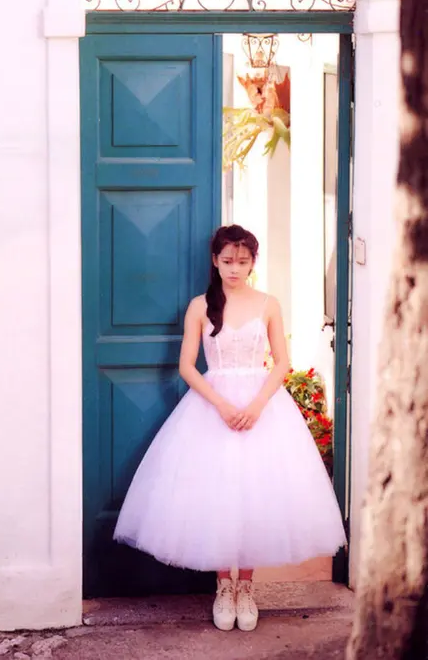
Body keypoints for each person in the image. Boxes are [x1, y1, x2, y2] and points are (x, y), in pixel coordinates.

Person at [113, 224, 347, 632]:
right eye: (227, 261)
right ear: (215, 261)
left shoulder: (268, 304)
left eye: (242, 261)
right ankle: (224, 586)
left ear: (253, 262)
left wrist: (257, 405)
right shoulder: (200, 306)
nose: (234, 269)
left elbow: (281, 362)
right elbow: (187, 366)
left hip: (262, 408)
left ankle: (247, 588)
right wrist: (221, 404)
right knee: (217, 493)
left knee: (254, 492)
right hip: (211, 408)